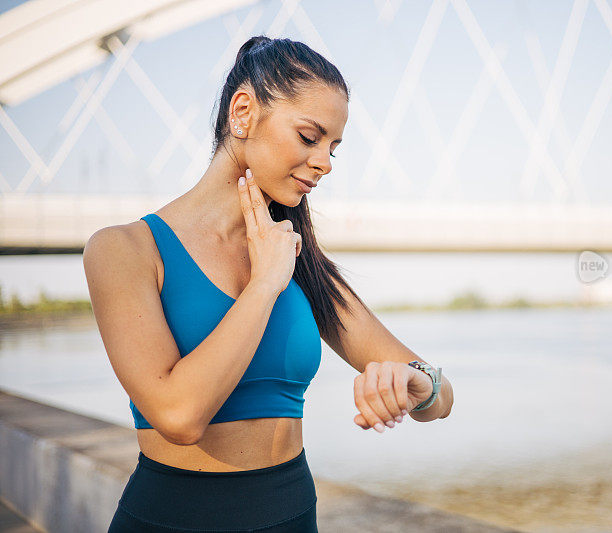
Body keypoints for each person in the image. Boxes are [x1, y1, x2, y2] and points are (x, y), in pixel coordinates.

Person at [83, 35, 453, 532]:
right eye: (309, 137)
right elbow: (178, 416)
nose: (323, 162)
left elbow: (441, 397)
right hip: (174, 520)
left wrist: (418, 384)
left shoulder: (301, 258)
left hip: (292, 516)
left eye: (333, 149)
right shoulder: (124, 250)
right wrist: (263, 285)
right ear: (243, 112)